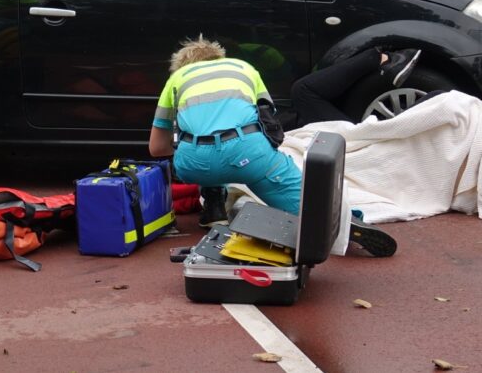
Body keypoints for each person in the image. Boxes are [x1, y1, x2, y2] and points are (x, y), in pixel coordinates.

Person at [149, 36, 396, 256]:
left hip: (195, 165)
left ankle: (213, 205)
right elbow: (268, 120)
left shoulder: (176, 80)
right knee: (303, 199)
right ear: (218, 56)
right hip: (248, 155)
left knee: (202, 152)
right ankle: (342, 221)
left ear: (181, 66)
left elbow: (157, 148)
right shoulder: (243, 68)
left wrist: (195, 150)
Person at [289, 47, 422, 127]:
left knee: (302, 96)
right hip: (346, 145)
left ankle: (379, 58)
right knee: (302, 90)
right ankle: (381, 58)